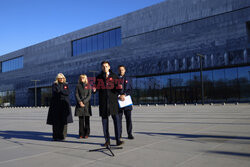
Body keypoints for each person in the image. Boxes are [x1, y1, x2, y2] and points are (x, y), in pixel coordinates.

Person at [93, 61, 124, 146]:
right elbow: (96, 87)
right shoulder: (99, 77)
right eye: (103, 66)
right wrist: (94, 89)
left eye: (106, 66)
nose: (105, 68)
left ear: (109, 67)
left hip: (113, 103)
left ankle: (118, 140)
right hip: (103, 103)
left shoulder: (114, 76)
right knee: (105, 123)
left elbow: (119, 89)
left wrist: (121, 92)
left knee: (117, 121)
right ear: (101, 68)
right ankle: (107, 140)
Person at [47, 73, 73, 141]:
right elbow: (55, 92)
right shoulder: (54, 85)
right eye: (60, 78)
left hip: (64, 105)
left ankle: (62, 136)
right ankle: (55, 136)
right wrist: (62, 91)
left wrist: (61, 91)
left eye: (62, 78)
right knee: (56, 121)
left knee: (64, 121)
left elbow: (67, 93)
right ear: (57, 79)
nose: (61, 79)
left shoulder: (66, 85)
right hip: (56, 105)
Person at [118, 65, 134, 139]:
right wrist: (119, 95)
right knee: (119, 119)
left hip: (126, 101)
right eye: (120, 70)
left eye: (122, 70)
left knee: (128, 119)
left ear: (125, 70)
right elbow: (113, 90)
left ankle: (129, 133)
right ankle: (119, 134)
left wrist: (124, 94)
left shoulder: (128, 78)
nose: (121, 71)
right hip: (119, 102)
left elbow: (130, 89)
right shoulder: (115, 79)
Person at [75, 74, 92, 139]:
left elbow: (89, 95)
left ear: (85, 78)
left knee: (87, 120)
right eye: (81, 78)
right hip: (79, 104)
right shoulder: (78, 86)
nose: (82, 79)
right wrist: (79, 101)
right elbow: (76, 94)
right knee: (81, 120)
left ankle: (87, 133)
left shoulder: (89, 86)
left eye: (83, 78)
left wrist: (84, 102)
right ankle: (81, 134)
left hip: (87, 105)